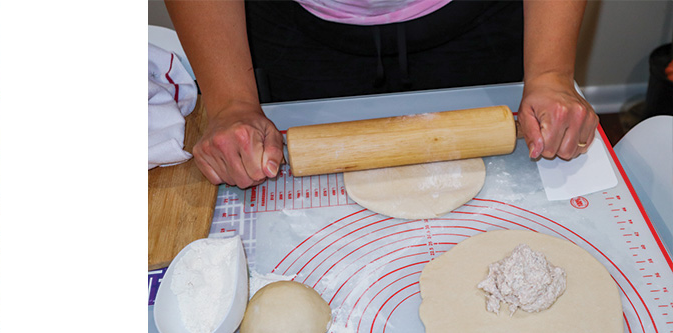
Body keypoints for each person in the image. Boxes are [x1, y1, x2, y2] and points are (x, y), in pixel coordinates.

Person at [166, 0, 599, 189]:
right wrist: (231, 104)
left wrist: (549, 74)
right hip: (294, 29)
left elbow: (547, 81)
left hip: (477, 21)